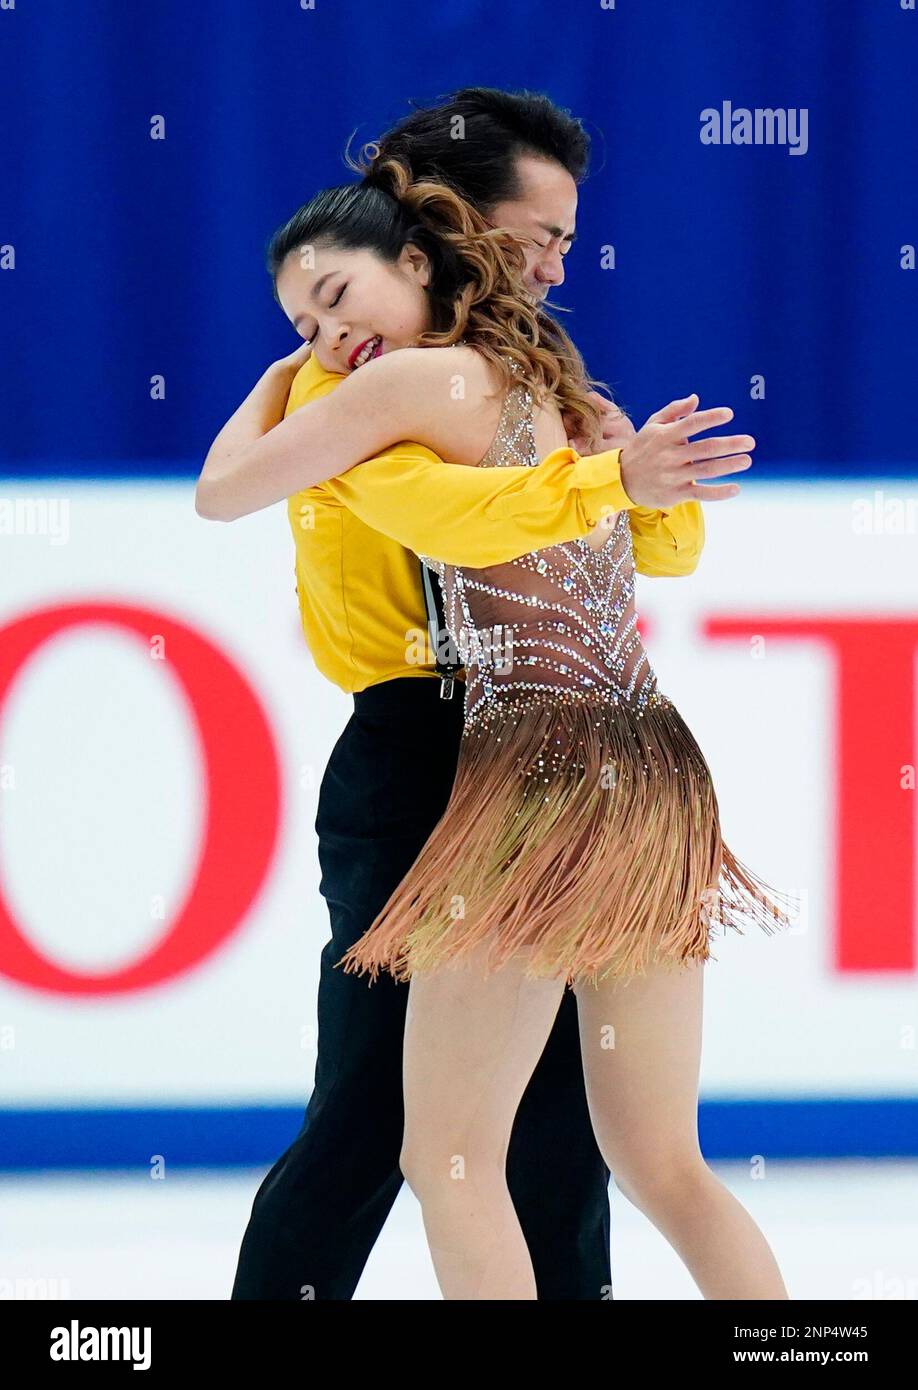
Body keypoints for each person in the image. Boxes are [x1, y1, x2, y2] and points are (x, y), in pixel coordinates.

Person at [198, 90, 750, 1302]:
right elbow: (442, 514)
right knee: (382, 1111)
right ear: (439, 221)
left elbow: (644, 549)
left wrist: (632, 482)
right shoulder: (362, 384)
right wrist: (611, 477)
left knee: (541, 1136)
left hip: (534, 755)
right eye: (539, 232)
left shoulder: (527, 373)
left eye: (567, 235)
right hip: (441, 747)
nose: (560, 259)